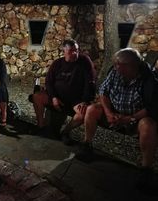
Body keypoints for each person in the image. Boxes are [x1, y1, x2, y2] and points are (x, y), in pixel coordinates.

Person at [77, 48, 158, 191]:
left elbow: (152, 107)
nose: (114, 68)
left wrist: (129, 118)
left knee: (148, 125)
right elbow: (103, 92)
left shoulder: (149, 80)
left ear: (131, 65)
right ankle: (87, 145)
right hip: (114, 114)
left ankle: (146, 169)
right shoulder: (115, 73)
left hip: (136, 119)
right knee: (92, 109)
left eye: (118, 65)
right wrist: (108, 113)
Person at [31, 39, 96, 141]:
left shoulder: (84, 61)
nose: (75, 53)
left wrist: (85, 100)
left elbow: (90, 82)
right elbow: (49, 82)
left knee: (83, 113)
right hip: (58, 96)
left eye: (77, 50)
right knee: (37, 97)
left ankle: (65, 132)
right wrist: (53, 97)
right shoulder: (57, 64)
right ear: (64, 52)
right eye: (71, 51)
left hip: (76, 99)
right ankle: (41, 126)